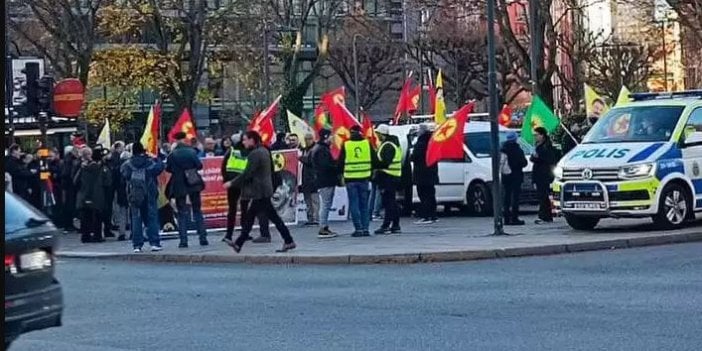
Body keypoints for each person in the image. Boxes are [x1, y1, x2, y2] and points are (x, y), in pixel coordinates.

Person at [225, 131, 296, 253]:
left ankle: (239, 243)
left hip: (260, 191)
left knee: (254, 217)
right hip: (264, 189)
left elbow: (247, 173)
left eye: (245, 140)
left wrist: (232, 183)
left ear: (252, 140)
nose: (243, 142)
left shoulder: (255, 154)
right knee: (261, 216)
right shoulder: (264, 150)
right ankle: (288, 240)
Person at [166, 132, 209, 248]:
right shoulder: (191, 152)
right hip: (193, 182)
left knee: (181, 213)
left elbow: (168, 168)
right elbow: (199, 165)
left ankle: (183, 240)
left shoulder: (172, 154)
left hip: (179, 184)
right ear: (185, 139)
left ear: (175, 141)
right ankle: (203, 237)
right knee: (197, 210)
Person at [121, 142, 165, 253]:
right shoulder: (149, 162)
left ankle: (137, 245)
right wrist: (156, 158)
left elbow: (124, 174)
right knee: (152, 218)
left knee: (136, 219)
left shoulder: (127, 164)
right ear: (142, 150)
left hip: (135, 194)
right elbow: (160, 168)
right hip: (149, 193)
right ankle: (154, 243)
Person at [340, 125, 375, 237]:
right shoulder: (367, 144)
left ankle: (358, 228)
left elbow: (340, 162)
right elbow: (374, 159)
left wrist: (340, 175)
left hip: (350, 179)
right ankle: (366, 228)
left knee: (354, 204)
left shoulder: (346, 144)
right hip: (364, 178)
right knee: (364, 205)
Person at [74, 147, 112, 243]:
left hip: (83, 195)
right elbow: (107, 181)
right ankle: (97, 236)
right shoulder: (98, 167)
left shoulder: (81, 167)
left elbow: (75, 181)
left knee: (85, 217)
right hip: (96, 195)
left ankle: (85, 236)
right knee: (97, 217)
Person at [373, 124, 403, 234]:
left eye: (378, 134)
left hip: (388, 177)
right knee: (391, 202)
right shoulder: (392, 144)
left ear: (382, 134)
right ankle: (395, 225)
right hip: (392, 176)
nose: (377, 136)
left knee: (388, 203)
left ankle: (386, 225)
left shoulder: (388, 146)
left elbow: (385, 162)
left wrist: (374, 163)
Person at [312, 129, 340, 238]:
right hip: (325, 180)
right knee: (325, 204)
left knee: (325, 204)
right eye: (330, 136)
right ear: (325, 136)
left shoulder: (319, 148)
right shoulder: (322, 150)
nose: (332, 139)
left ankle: (324, 226)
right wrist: (337, 166)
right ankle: (323, 227)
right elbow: (326, 166)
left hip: (323, 180)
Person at [411, 124, 439, 224]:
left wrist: (411, 156)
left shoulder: (421, 143)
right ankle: (433, 215)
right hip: (431, 173)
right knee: (431, 195)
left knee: (423, 195)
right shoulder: (432, 142)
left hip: (422, 174)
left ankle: (426, 216)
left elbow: (415, 157)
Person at [530, 127, 557, 225]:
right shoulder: (538, 146)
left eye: (536, 135)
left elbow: (549, 159)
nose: (535, 137)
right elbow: (533, 159)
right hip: (538, 174)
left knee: (543, 195)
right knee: (542, 195)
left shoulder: (546, 147)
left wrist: (538, 157)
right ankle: (546, 215)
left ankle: (544, 216)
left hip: (544, 174)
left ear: (542, 135)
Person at [501, 131, 528, 225]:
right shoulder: (517, 150)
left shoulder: (503, 149)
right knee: (515, 198)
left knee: (506, 197)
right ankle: (514, 218)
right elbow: (524, 163)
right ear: (515, 139)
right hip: (516, 176)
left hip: (506, 175)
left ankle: (506, 219)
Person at [300, 133, 319, 226]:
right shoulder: (304, 150)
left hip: (313, 178)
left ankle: (316, 218)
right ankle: (310, 218)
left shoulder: (315, 149)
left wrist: (300, 158)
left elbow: (310, 161)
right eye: (306, 139)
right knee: (307, 200)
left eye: (309, 139)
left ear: (312, 139)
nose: (307, 141)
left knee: (314, 200)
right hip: (305, 179)